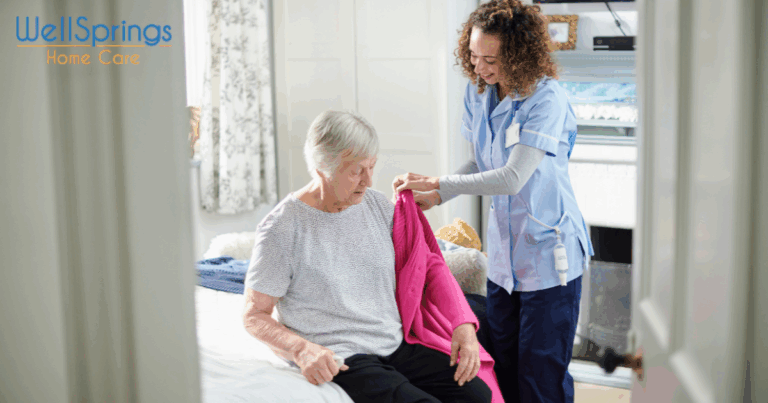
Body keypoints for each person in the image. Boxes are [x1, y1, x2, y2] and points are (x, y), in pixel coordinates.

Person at [391, 1, 595, 402]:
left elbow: (512, 177)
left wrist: (440, 181)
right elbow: (481, 161)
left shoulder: (546, 100)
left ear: (520, 55)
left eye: (491, 59)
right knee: (503, 371)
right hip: (504, 264)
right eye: (473, 55)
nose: (480, 67)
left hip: (549, 262)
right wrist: (439, 192)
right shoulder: (478, 92)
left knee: (540, 381)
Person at [242, 110, 492, 403]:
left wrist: (463, 326)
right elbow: (254, 315)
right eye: (356, 171)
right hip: (342, 356)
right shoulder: (282, 228)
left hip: (394, 344)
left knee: (477, 395)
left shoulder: (376, 206)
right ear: (323, 167)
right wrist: (300, 349)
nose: (368, 180)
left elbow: (429, 265)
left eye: (372, 167)